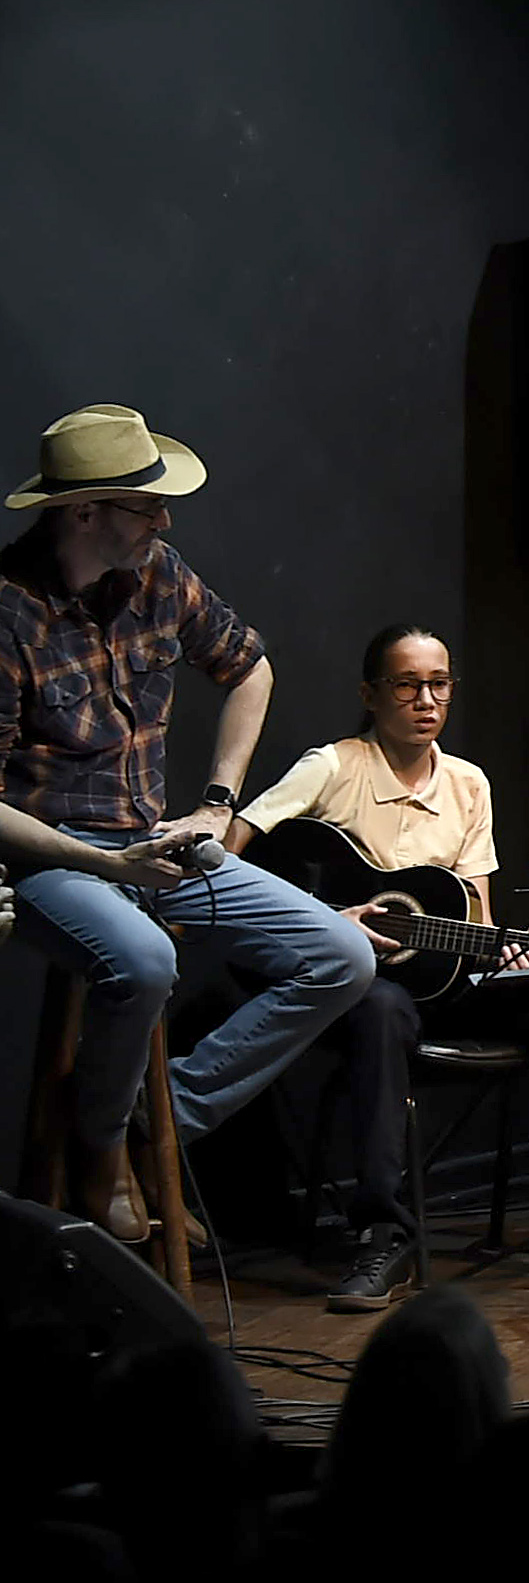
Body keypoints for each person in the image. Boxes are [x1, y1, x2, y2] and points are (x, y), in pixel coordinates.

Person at [0, 403, 374, 1243]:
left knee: (340, 956)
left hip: (154, 842)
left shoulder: (159, 574)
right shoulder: (8, 612)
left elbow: (251, 668)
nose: (163, 522)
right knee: (144, 959)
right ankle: (98, 1150)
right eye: (147, 506)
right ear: (83, 511)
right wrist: (109, 867)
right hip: (53, 856)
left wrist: (215, 803)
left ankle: (150, 1120)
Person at [232, 623, 529, 1308]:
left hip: (445, 977)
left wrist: (502, 946)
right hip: (358, 985)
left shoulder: (468, 783)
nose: (426, 700)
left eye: (439, 684)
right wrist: (327, 921)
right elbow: (238, 842)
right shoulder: (333, 766)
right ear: (370, 694)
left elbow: (475, 911)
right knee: (381, 1007)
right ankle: (384, 1234)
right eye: (407, 685)